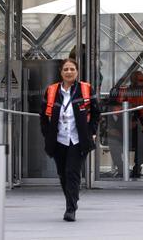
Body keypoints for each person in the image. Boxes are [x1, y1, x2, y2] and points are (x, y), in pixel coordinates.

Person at [39, 58, 100, 221]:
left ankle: (70, 209)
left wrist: (91, 132)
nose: (69, 72)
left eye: (72, 69)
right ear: (61, 72)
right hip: (59, 139)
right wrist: (47, 135)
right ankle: (71, 200)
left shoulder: (86, 89)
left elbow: (96, 113)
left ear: (77, 71)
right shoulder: (52, 90)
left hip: (77, 139)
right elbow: (43, 116)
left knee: (72, 172)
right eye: (65, 69)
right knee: (62, 174)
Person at [106, 70, 143, 179]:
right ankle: (121, 168)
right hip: (120, 127)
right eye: (140, 80)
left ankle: (137, 169)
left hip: (139, 128)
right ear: (133, 81)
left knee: (141, 137)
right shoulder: (120, 93)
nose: (142, 83)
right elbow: (111, 111)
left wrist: (139, 124)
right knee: (112, 139)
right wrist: (115, 127)